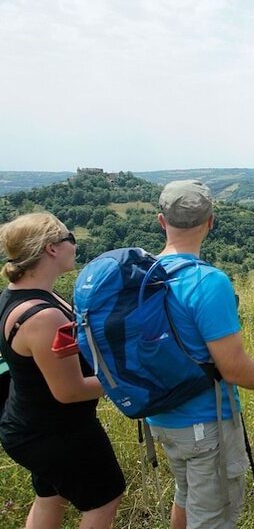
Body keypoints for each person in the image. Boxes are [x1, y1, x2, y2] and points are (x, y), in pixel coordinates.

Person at [145, 180, 254, 529]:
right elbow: (234, 368)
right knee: (213, 517)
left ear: (162, 222)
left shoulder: (142, 275)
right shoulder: (209, 283)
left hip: (158, 418)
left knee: (186, 494)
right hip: (204, 425)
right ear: (210, 222)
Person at [0, 212, 124, 529]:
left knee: (51, 495)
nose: (74, 245)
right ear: (51, 248)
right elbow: (69, 391)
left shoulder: (20, 295)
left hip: (31, 424)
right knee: (104, 498)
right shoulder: (42, 316)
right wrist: (127, 380)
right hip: (56, 432)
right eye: (70, 238)